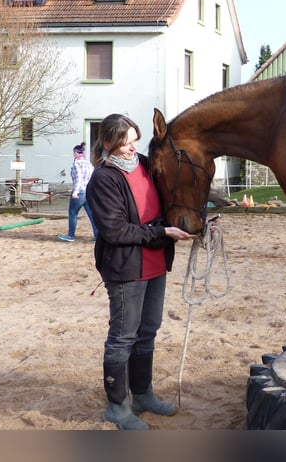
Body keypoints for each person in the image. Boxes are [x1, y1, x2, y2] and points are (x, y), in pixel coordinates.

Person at [86, 114, 193, 430]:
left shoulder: (145, 164)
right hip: (126, 269)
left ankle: (143, 394)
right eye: (125, 142)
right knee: (122, 337)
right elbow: (116, 231)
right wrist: (162, 233)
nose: (133, 146)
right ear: (108, 144)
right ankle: (117, 408)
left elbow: (169, 198)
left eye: (134, 139)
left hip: (156, 264)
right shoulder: (103, 180)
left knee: (148, 332)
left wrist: (195, 219)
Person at [58, 142, 98, 242]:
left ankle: (71, 235)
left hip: (80, 192)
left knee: (72, 213)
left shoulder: (76, 163)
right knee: (91, 214)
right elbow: (93, 178)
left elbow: (79, 179)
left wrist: (75, 192)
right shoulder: (89, 164)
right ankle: (97, 236)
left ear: (75, 153)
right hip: (88, 192)